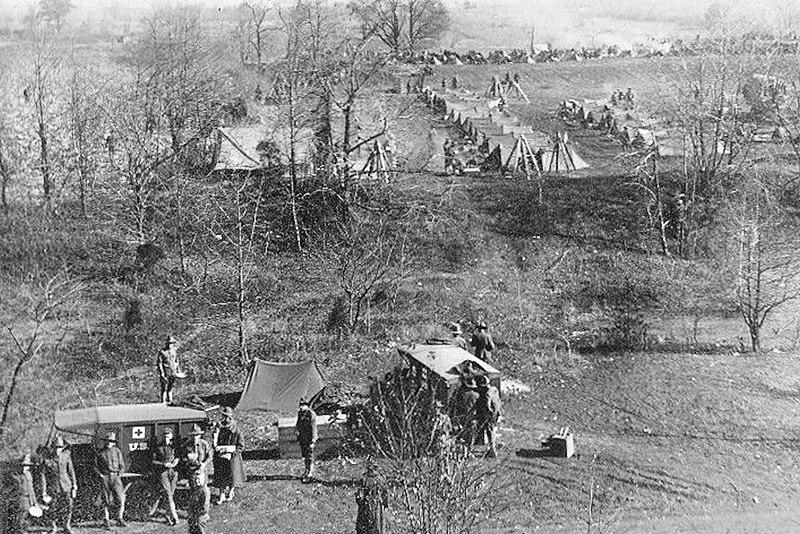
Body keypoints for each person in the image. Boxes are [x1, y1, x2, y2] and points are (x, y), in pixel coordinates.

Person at [40, 435, 78, 534]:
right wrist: (44, 491)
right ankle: (53, 527)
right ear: (52, 448)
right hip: (53, 486)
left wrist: (74, 484)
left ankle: (67, 526)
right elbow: (43, 475)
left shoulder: (66, 455)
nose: (58, 450)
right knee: (53, 508)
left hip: (66, 485)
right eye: (56, 447)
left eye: (60, 447)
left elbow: (71, 470)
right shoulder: (47, 459)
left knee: (69, 506)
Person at [212, 407, 244, 504]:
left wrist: (231, 451)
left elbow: (241, 446)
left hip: (232, 458)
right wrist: (216, 445)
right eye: (224, 416)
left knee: (232, 476)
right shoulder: (220, 429)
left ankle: (230, 492)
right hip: (221, 457)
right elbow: (215, 443)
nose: (224, 419)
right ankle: (221, 495)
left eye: (226, 417)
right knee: (221, 476)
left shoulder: (237, 431)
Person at [95, 431, 126, 530]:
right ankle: (106, 520)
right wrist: (100, 475)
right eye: (108, 441)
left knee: (121, 498)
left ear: (114, 442)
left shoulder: (117, 451)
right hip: (105, 477)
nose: (109, 443)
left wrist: (119, 474)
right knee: (106, 500)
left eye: (111, 441)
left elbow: (122, 465)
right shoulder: (100, 452)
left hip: (115, 477)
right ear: (105, 442)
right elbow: (95, 466)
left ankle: (119, 519)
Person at [152, 427, 180, 526]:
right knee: (168, 494)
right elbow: (153, 460)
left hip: (173, 471)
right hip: (163, 472)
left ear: (171, 436)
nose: (166, 438)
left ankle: (168, 515)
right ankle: (175, 516)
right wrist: (163, 464)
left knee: (171, 494)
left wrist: (176, 461)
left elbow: (178, 456)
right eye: (165, 436)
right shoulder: (158, 447)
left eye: (168, 436)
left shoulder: (175, 446)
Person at [6, 453, 39, 534]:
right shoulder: (16, 476)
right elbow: (14, 490)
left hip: (29, 499)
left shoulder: (28, 475)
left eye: (27, 466)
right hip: (21, 499)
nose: (25, 468)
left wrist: (35, 502)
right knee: (19, 520)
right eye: (23, 466)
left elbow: (31, 489)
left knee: (25, 520)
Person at [354, 460, 388, 534]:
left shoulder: (365, 479)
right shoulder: (380, 479)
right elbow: (385, 497)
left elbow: (359, 497)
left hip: (367, 506)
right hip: (376, 506)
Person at [475, 375, 502, 458]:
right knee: (493, 431)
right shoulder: (494, 389)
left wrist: (485, 414)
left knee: (489, 432)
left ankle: (493, 451)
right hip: (496, 413)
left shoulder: (487, 394)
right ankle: (493, 449)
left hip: (490, 415)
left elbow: (487, 406)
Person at [295, 398, 318, 483]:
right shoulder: (300, 413)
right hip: (302, 438)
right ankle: (306, 470)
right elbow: (298, 423)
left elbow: (314, 428)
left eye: (302, 405)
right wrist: (296, 430)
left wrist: (313, 440)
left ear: (307, 405)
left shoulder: (311, 414)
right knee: (304, 456)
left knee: (310, 456)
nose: (301, 407)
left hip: (309, 439)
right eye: (300, 405)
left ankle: (310, 473)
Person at [451, 377, 479, 442]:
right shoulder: (476, 395)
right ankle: (468, 447)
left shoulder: (461, 394)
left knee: (461, 431)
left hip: (461, 415)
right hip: (471, 416)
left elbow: (456, 404)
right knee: (470, 433)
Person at [158, 335, 181, 403]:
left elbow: (176, 361)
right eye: (169, 343)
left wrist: (178, 370)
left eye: (171, 343)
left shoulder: (174, 351)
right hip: (166, 370)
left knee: (170, 386)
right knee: (164, 386)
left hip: (173, 370)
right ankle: (163, 401)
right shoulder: (162, 352)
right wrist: (162, 372)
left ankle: (170, 400)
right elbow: (159, 363)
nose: (170, 345)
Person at [187, 470, 210, 534]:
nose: (197, 481)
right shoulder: (196, 489)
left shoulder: (204, 491)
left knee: (200, 529)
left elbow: (205, 504)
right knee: (192, 529)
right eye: (196, 479)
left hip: (200, 515)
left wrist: (201, 514)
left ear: (204, 479)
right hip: (194, 513)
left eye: (199, 480)